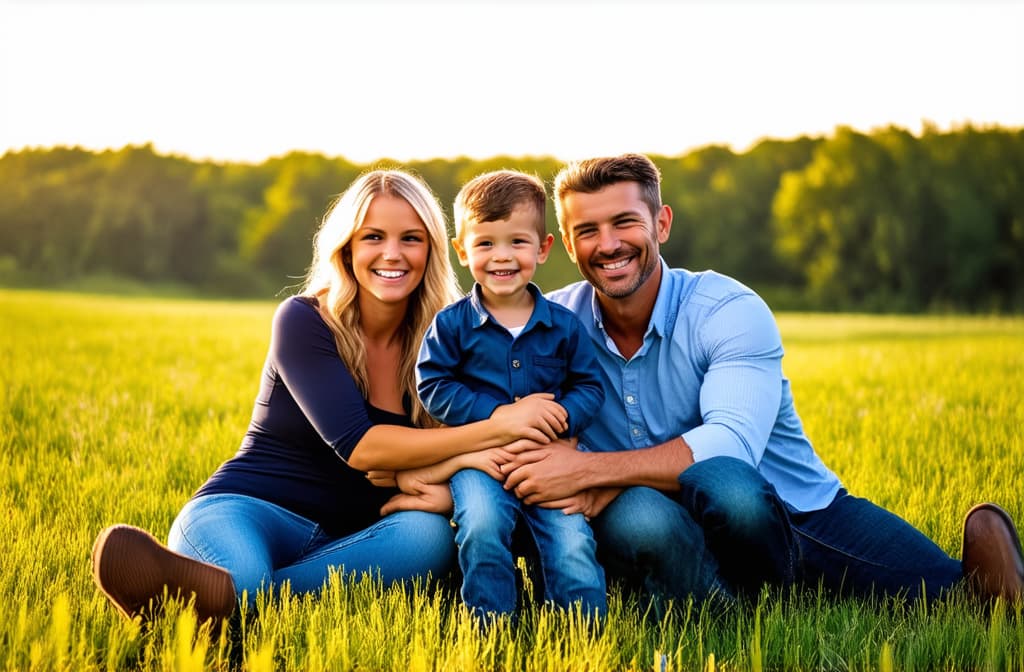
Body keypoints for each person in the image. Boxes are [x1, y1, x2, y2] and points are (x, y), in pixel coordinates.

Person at [498, 153, 1024, 608]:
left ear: (662, 224)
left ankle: (788, 581)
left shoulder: (727, 308)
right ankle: (724, 601)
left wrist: (588, 472)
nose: (608, 244)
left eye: (624, 222)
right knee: (645, 520)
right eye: (587, 231)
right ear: (566, 243)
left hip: (793, 514)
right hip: (656, 522)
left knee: (732, 486)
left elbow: (729, 444)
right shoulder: (550, 326)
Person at [90, 169, 559, 624]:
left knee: (429, 539)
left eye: (410, 239)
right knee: (247, 579)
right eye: (373, 236)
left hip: (358, 534)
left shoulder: (451, 339)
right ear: (347, 247)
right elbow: (363, 447)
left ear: (433, 250)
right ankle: (225, 597)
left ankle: (199, 607)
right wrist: (496, 427)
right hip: (249, 508)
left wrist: (444, 473)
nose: (392, 254)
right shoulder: (303, 320)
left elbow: (455, 450)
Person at [410, 170, 607, 620]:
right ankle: (492, 628)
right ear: (462, 251)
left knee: (571, 539)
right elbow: (433, 385)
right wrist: (498, 416)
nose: (502, 257)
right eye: (485, 244)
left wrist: (561, 418)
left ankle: (583, 634)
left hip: (548, 459)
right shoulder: (452, 325)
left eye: (517, 242)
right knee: (481, 526)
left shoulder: (563, 326)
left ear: (542, 248)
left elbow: (589, 386)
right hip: (483, 461)